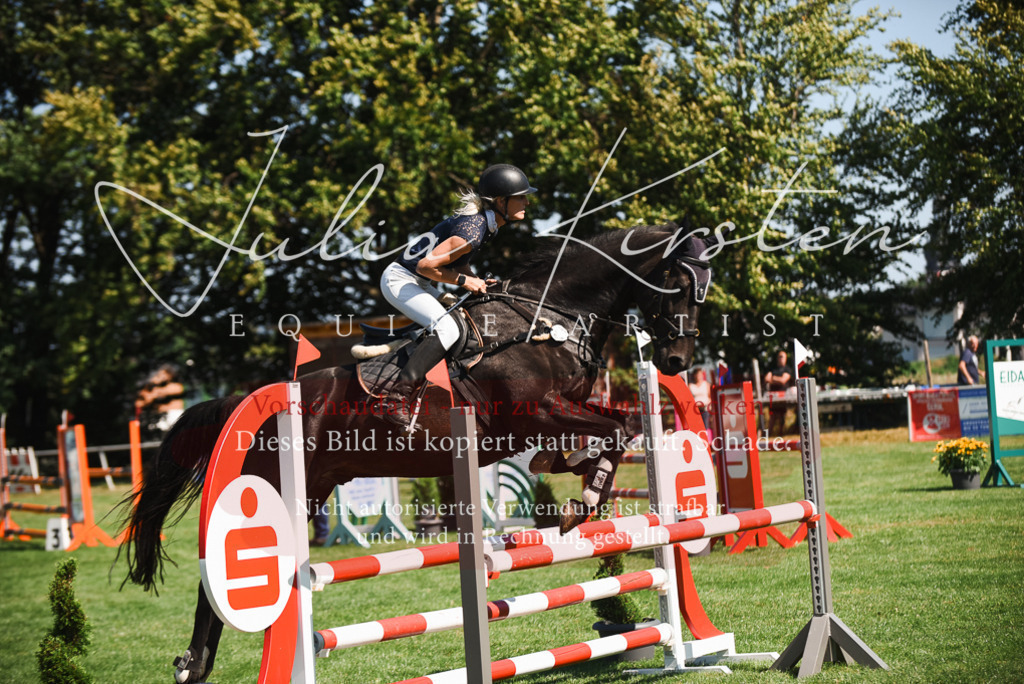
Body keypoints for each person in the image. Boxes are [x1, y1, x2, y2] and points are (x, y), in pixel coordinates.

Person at [380, 164, 537, 430]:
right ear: (501, 201)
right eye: (521, 196)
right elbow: (426, 266)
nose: (527, 201)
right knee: (448, 329)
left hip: (418, 280)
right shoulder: (474, 230)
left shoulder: (483, 226)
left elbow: (456, 263)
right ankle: (395, 398)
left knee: (463, 322)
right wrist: (466, 281)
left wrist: (473, 279)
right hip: (401, 280)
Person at [135, 365, 185, 433]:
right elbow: (139, 403)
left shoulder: (169, 386)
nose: (162, 377)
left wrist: (158, 391)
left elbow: (179, 389)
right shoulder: (150, 387)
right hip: (160, 416)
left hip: (173, 413)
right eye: (159, 375)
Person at [764, 350, 792, 436]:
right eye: (779, 357)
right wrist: (778, 379)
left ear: (786, 358)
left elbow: (783, 380)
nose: (781, 359)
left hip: (783, 396)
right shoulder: (773, 369)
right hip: (773, 397)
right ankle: (769, 434)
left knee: (781, 415)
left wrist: (773, 378)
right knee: (772, 415)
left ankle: (781, 434)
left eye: (782, 357)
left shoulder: (787, 369)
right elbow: (766, 379)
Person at [688, 368, 712, 435]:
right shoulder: (690, 386)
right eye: (698, 375)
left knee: (705, 425)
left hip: (705, 408)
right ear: (694, 376)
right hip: (695, 409)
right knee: (696, 426)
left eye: (700, 375)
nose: (699, 376)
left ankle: (706, 439)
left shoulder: (706, 384)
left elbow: (710, 396)